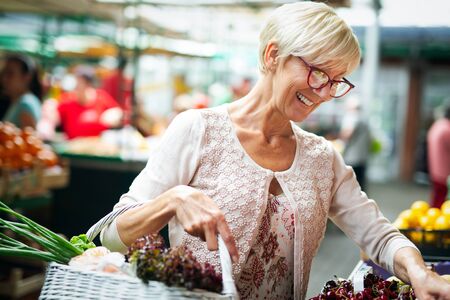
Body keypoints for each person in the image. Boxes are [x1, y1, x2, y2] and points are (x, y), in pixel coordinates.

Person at [99, 3, 450, 299]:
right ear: (273, 55)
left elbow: (379, 235)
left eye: (336, 81)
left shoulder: (322, 158)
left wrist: (419, 272)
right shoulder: (198, 130)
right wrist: (173, 199)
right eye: (317, 73)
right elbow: (113, 236)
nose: (324, 92)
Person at [55, 66, 123, 139]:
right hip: (74, 145)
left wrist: (113, 114)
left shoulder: (101, 97)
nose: (76, 86)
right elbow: (54, 114)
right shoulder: (68, 99)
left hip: (97, 145)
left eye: (80, 82)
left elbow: (117, 111)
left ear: (88, 84)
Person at [0, 54, 42, 129]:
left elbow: (29, 137)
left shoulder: (25, 103)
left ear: (27, 77)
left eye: (10, 74)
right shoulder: (22, 100)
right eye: (3, 73)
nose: (4, 78)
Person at [339, 96, 371, 192]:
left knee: (351, 185)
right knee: (360, 185)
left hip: (351, 158)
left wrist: (340, 140)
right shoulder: (363, 118)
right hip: (362, 157)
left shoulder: (352, 116)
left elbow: (347, 133)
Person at [427, 104, 450, 208]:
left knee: (437, 197)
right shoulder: (447, 129)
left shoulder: (438, 125)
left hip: (435, 169)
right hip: (444, 172)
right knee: (440, 202)